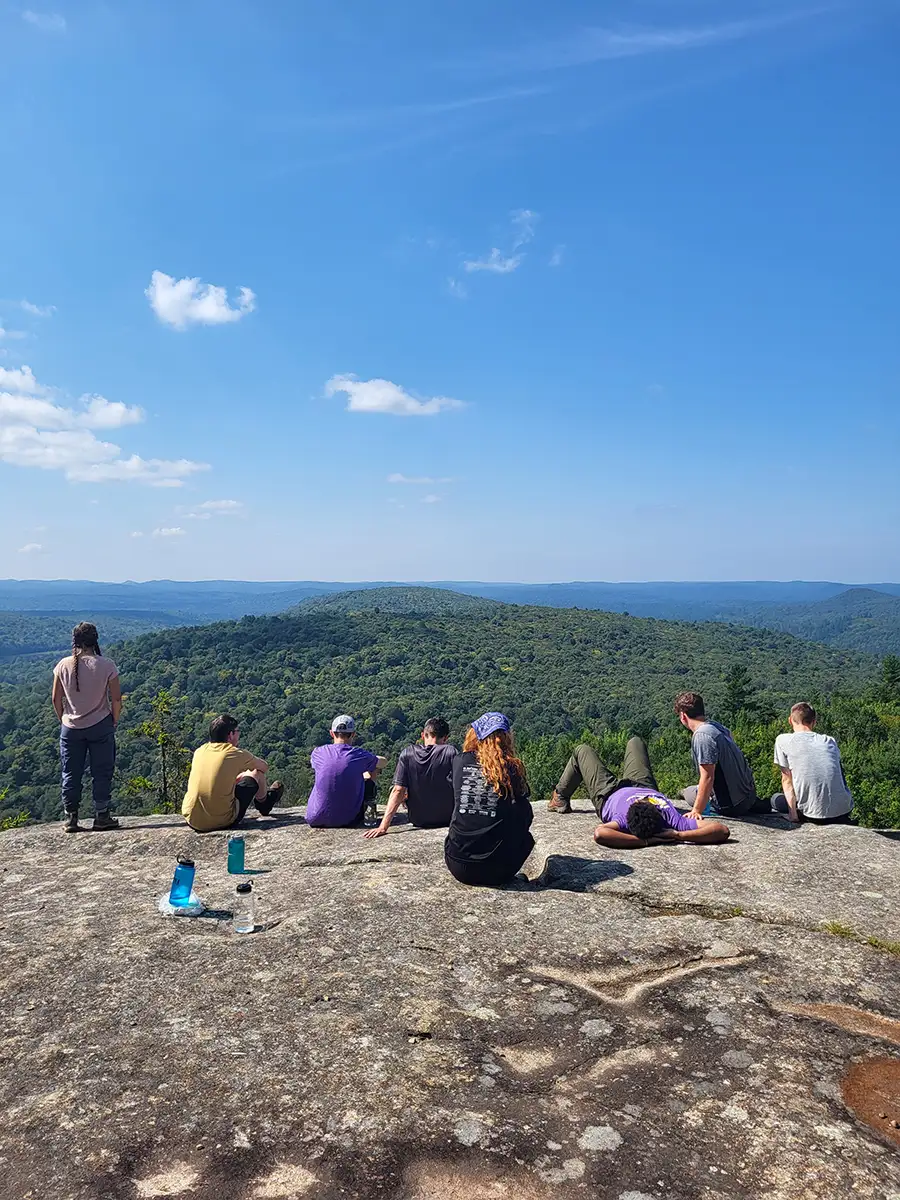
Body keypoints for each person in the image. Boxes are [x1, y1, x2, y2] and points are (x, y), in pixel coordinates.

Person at [550, 735, 730, 848]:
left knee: (582, 750)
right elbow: (721, 830)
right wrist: (678, 835)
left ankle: (560, 796)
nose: (639, 800)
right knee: (635, 741)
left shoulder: (623, 822)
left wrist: (644, 842)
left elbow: (600, 833)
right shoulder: (672, 821)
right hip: (644, 785)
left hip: (608, 793)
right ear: (657, 811)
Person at [444, 712, 534, 887]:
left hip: (458, 864)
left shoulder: (459, 761)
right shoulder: (512, 768)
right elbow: (526, 816)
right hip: (498, 870)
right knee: (526, 837)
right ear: (506, 738)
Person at [52, 622, 122, 833]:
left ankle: (71, 818)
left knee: (70, 772)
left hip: (70, 727)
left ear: (75, 641)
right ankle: (101, 816)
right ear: (95, 640)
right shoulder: (107, 665)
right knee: (101, 772)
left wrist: (64, 719)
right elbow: (116, 699)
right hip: (100, 724)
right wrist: (114, 720)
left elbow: (56, 699)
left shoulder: (62, 665)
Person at [674, 692, 771, 820]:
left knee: (688, 793)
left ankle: (682, 791)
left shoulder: (702, 736)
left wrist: (696, 810)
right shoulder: (715, 726)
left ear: (683, 715)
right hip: (748, 795)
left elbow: (708, 777)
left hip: (731, 805)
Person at [182, 714, 284, 832]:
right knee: (256, 773)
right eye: (237, 731)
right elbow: (264, 767)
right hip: (222, 820)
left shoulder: (199, 751)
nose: (239, 734)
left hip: (193, 819)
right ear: (230, 735)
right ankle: (265, 804)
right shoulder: (234, 753)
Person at [364, 717, 458, 838]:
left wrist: (383, 827)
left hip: (418, 819)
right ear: (445, 738)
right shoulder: (450, 752)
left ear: (423, 735)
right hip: (446, 819)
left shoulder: (408, 753)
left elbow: (398, 790)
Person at [770, 702, 854, 825]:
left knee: (775, 800)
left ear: (790, 720)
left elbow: (787, 780)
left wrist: (793, 816)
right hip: (843, 811)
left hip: (812, 814)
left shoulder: (782, 740)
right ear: (814, 722)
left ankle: (799, 811)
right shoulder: (829, 740)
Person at [307, 715, 388, 828]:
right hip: (349, 820)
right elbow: (383, 762)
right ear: (353, 734)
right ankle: (369, 809)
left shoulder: (318, 753)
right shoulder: (358, 755)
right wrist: (370, 761)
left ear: (331, 733)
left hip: (315, 818)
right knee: (373, 768)